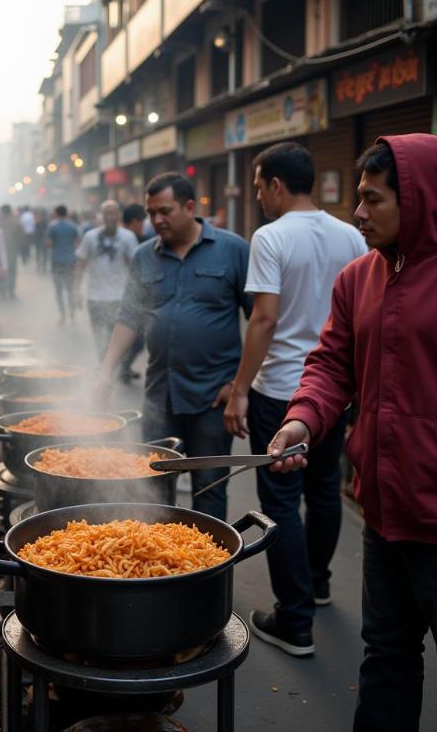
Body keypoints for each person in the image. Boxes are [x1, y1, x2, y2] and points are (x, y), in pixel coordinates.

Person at [267, 135, 437, 731]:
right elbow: (331, 363)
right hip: (384, 510)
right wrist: (300, 419)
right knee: (387, 654)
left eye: (374, 198)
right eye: (358, 197)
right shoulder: (357, 276)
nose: (359, 212)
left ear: (418, 201)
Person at [222, 142, 366, 656]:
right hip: (334, 393)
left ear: (276, 185)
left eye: (259, 186)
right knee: (324, 490)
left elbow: (263, 318)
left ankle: (295, 619)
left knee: (280, 501)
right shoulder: (351, 233)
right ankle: (319, 583)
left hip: (281, 391)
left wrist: (239, 389)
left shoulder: (271, 236)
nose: (259, 196)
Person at [96, 173, 252, 520]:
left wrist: (238, 386)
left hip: (212, 399)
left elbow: (261, 323)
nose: (156, 220)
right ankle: (160, 568)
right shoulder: (143, 256)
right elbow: (128, 318)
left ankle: (208, 572)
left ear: (190, 207)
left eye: (164, 211)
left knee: (209, 489)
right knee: (153, 489)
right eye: (151, 213)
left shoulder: (233, 250)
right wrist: (105, 371)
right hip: (159, 397)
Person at [75, 200, 138, 361]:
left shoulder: (128, 237)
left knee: (116, 337)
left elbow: (137, 268)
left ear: (118, 215)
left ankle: (114, 367)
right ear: (101, 216)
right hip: (95, 296)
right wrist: (76, 290)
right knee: (98, 335)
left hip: (119, 297)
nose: (110, 217)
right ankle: (104, 366)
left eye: (113, 213)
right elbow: (80, 265)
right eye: (106, 213)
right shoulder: (90, 237)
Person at [120, 203, 149, 381]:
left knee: (137, 339)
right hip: (130, 297)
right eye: (143, 221)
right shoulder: (128, 239)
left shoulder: (144, 239)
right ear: (135, 221)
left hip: (137, 296)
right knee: (137, 339)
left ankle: (123, 367)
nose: (144, 225)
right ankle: (121, 367)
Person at [45, 205, 79, 323]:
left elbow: (49, 243)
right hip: (70, 261)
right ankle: (72, 313)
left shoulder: (52, 226)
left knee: (58, 289)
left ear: (56, 213)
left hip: (57, 261)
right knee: (70, 288)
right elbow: (77, 243)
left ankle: (62, 314)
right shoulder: (73, 226)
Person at [0, 204, 23, 298]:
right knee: (12, 271)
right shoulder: (16, 222)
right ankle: (11, 290)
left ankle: (2, 290)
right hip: (12, 250)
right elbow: (21, 237)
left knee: (1, 270)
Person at [34, 208, 50, 273]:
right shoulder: (47, 221)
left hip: (38, 239)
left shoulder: (38, 221)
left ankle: (39, 264)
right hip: (44, 239)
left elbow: (35, 230)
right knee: (45, 253)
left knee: (38, 252)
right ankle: (44, 265)